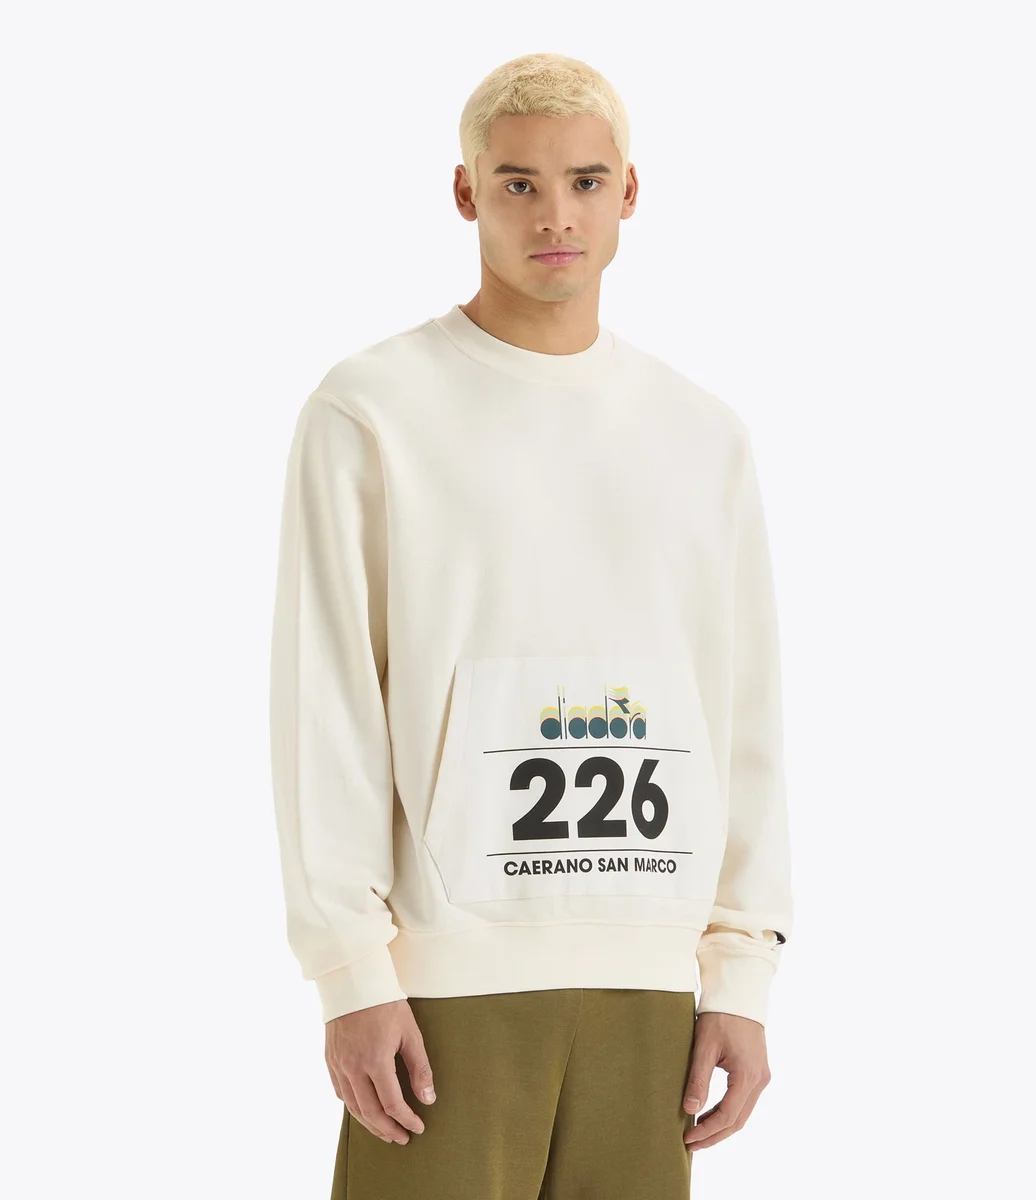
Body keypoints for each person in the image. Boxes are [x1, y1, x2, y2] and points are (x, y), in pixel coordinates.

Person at [268, 50, 794, 1200]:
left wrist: (739, 969)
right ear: (466, 193)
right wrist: (351, 970)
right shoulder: (372, 412)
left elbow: (741, 710)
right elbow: (328, 700)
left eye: (584, 182)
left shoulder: (701, 435)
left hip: (649, 976)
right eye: (517, 184)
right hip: (445, 983)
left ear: (628, 192)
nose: (555, 215)